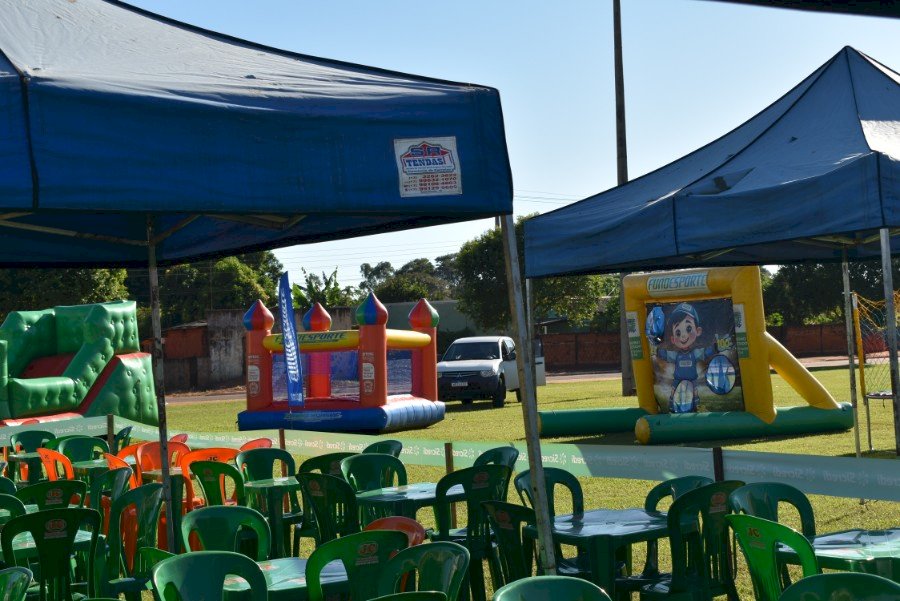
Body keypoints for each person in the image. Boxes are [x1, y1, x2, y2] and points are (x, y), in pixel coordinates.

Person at [655, 302, 721, 413]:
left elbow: (705, 352)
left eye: (689, 328)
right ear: (673, 339)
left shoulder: (694, 353)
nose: (683, 335)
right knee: (673, 391)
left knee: (695, 392)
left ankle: (696, 405)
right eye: (678, 332)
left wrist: (714, 347)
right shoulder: (676, 355)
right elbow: (665, 354)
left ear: (698, 331)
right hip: (678, 379)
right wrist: (658, 349)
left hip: (692, 378)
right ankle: (671, 405)